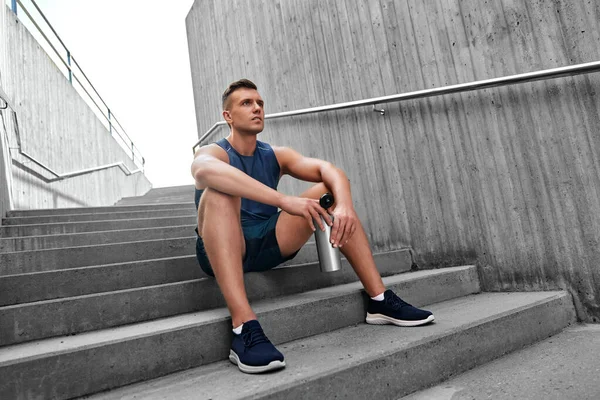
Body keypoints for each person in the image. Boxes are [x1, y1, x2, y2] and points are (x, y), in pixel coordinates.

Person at [191, 79, 434, 374]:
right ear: (228, 116)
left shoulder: (274, 154)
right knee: (217, 193)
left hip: (268, 240)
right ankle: (244, 328)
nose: (257, 108)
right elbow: (203, 170)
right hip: (221, 246)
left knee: (327, 191)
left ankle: (379, 300)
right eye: (246, 103)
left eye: (260, 103)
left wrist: (343, 205)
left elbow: (327, 170)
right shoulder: (213, 152)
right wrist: (284, 200)